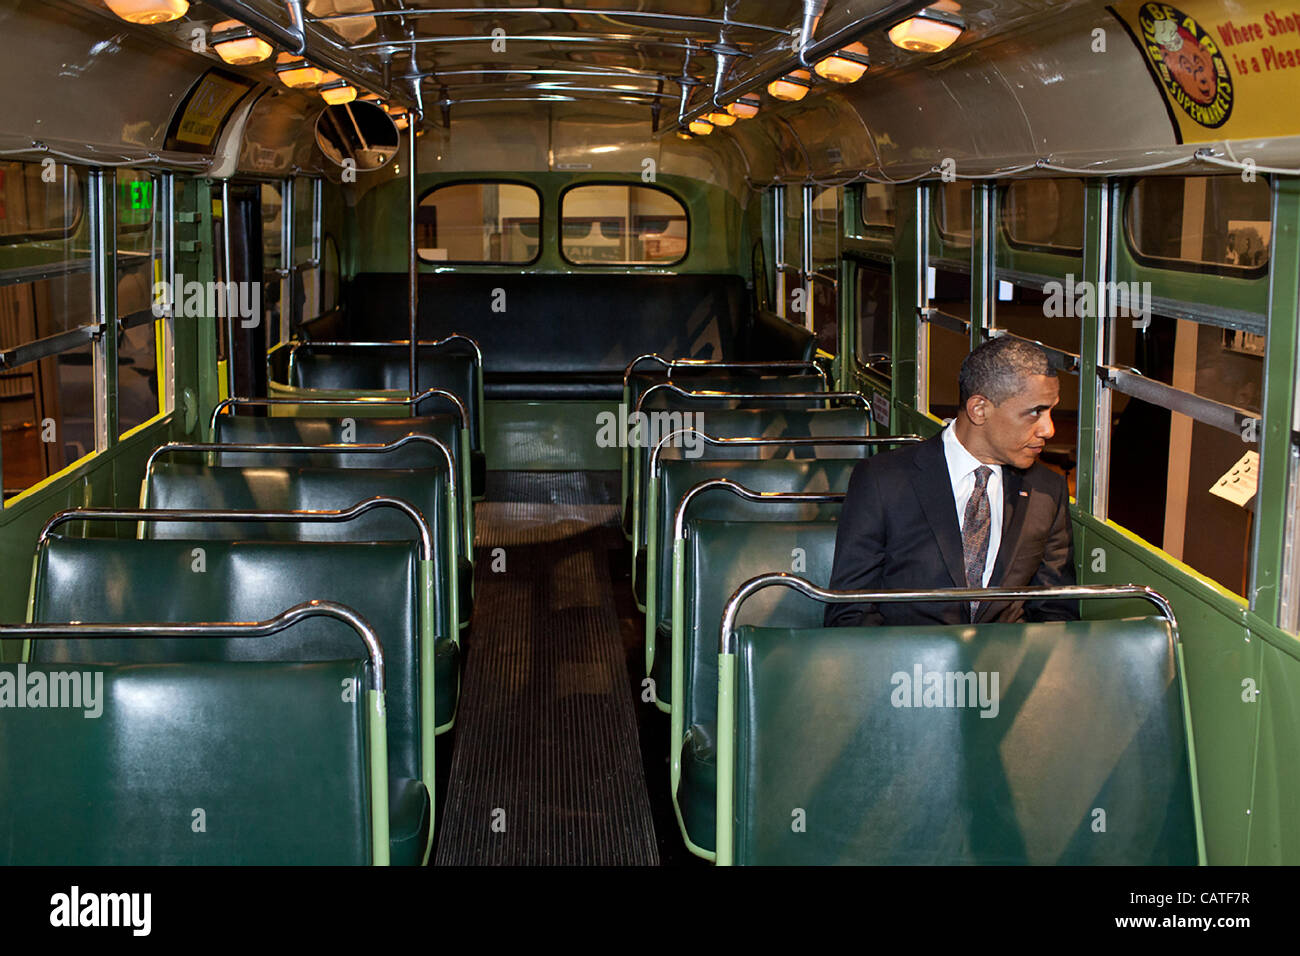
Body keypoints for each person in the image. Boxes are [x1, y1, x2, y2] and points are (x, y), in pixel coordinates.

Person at [824, 336, 1079, 626]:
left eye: (1051, 411)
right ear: (979, 409)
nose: (1049, 429)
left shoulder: (1047, 490)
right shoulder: (883, 480)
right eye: (1035, 412)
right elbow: (850, 611)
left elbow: (1055, 613)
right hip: (908, 665)